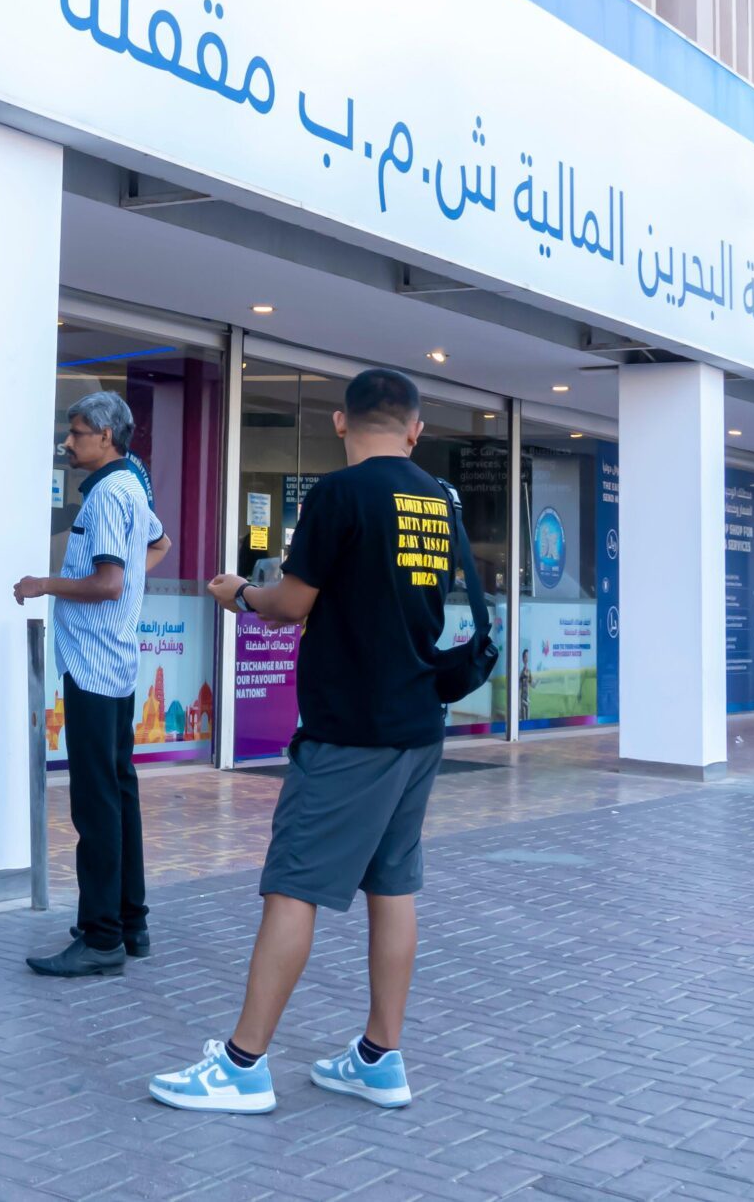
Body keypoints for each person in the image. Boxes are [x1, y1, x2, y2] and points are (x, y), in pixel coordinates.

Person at [150, 369, 495, 1115]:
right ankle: (379, 1056)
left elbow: (291, 601)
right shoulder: (438, 497)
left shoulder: (339, 495)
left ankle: (243, 1065)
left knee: (293, 885)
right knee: (393, 885)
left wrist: (239, 593)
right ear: (415, 429)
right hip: (417, 723)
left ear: (340, 423)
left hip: (349, 731)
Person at [13, 391, 172, 977]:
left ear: (107, 437)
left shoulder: (109, 493)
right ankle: (130, 922)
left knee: (96, 803)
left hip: (94, 665)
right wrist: (126, 587)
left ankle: (102, 934)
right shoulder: (132, 485)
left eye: (77, 433)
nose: (69, 442)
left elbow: (107, 583)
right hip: (116, 664)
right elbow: (159, 543)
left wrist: (44, 584)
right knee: (118, 790)